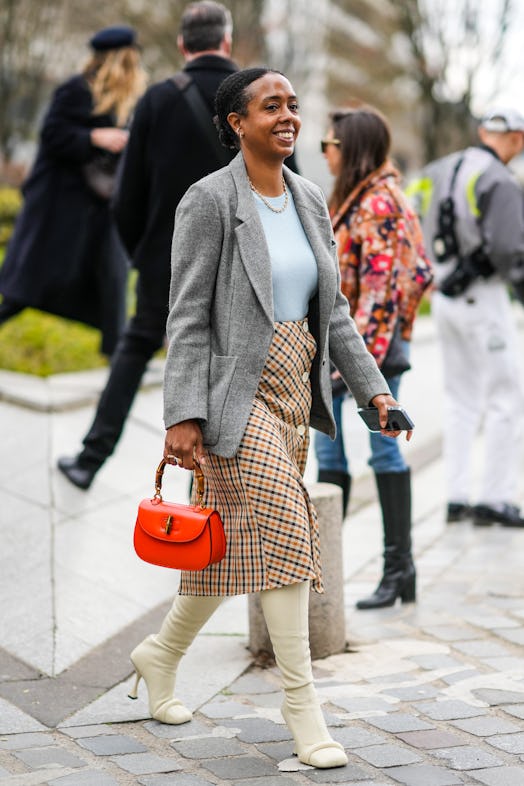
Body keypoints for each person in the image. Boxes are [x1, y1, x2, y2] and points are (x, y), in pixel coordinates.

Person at [127, 67, 410, 770]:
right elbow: (186, 315)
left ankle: (158, 655)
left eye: (291, 105)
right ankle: (301, 705)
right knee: (288, 529)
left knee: (229, 547)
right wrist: (182, 414)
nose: (288, 116)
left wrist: (376, 393)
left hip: (295, 390)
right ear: (235, 123)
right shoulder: (209, 201)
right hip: (233, 392)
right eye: (270, 106)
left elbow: (334, 313)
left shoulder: (310, 198)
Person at [56, 1, 239, 490]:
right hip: (240, 264)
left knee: (135, 349)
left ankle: (89, 460)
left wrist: (145, 254)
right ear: (227, 42)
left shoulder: (156, 100)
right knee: (231, 362)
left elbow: (125, 197)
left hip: (167, 260)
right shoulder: (258, 95)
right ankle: (220, 491)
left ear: (182, 46)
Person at [314, 107, 432, 610]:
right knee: (329, 455)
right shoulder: (357, 199)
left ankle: (397, 567)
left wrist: (353, 368)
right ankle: (324, 571)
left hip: (368, 355)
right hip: (351, 351)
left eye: (330, 144)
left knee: (382, 450)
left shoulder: (379, 204)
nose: (324, 152)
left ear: (352, 148)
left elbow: (383, 293)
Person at [409, 108, 524, 528]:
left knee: (460, 398)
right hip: (483, 297)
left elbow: (414, 218)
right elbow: (510, 249)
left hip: (444, 297)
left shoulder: (438, 170)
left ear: (481, 131)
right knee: (506, 396)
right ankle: (494, 498)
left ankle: (457, 497)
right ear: (516, 138)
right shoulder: (499, 180)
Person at [0, 25, 146, 355]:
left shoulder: (123, 101)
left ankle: (117, 365)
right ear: (120, 60)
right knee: (27, 290)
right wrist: (94, 137)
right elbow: (51, 133)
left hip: (98, 209)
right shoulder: (76, 89)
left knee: (112, 287)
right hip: (60, 209)